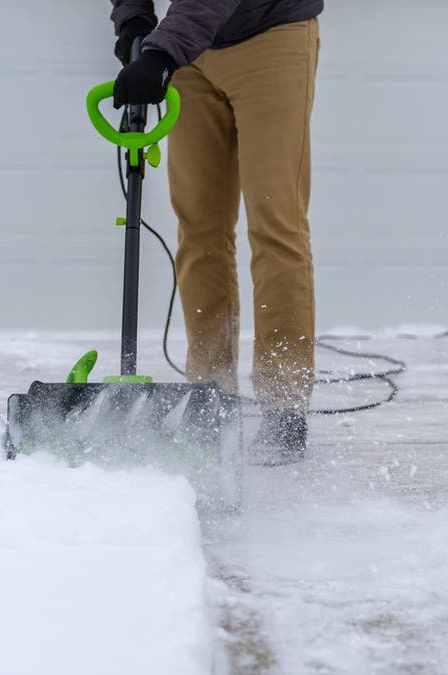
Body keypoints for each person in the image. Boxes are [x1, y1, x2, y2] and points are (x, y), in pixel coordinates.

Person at [109, 0, 324, 465]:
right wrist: (134, 22)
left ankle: (284, 404)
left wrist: (162, 51)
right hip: (191, 46)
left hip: (271, 32)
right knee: (199, 228)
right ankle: (210, 394)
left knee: (274, 223)